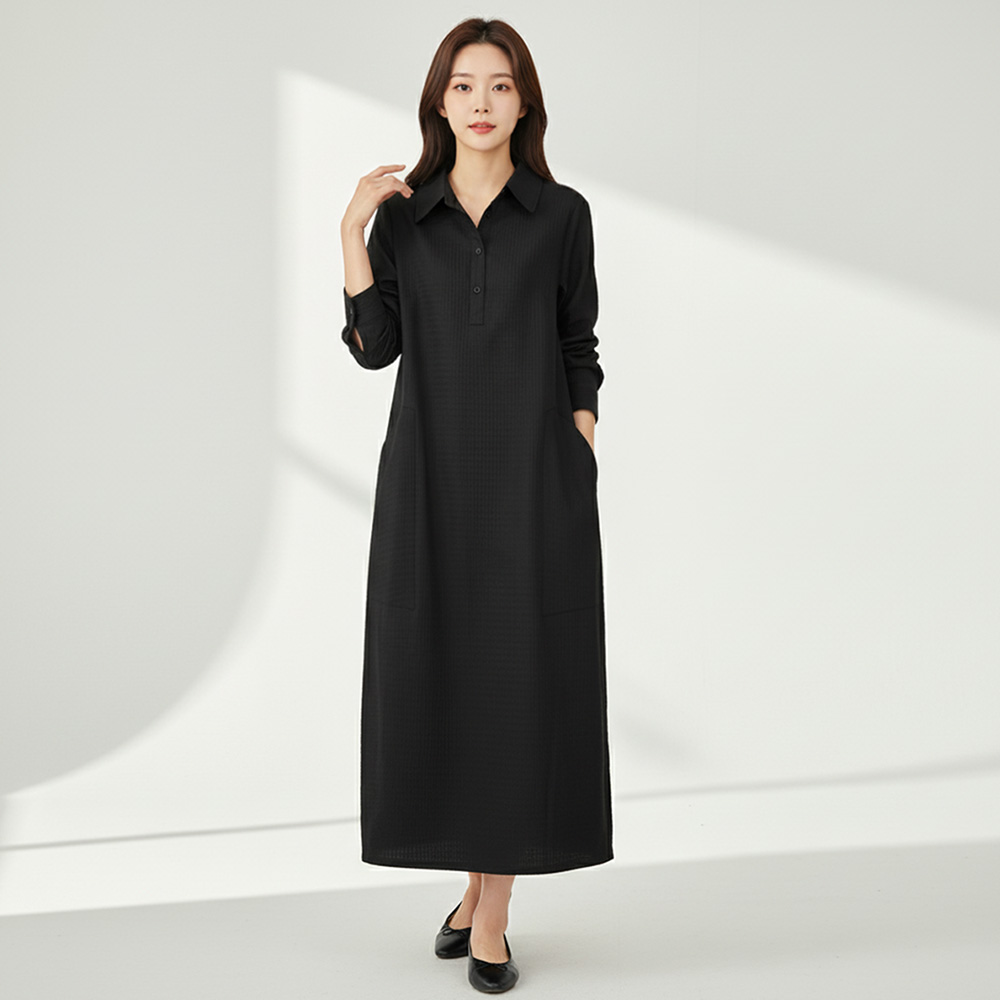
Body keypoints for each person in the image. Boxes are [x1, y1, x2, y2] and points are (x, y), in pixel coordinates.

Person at [339, 16, 612, 994]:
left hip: (535, 483)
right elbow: (375, 348)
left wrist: (579, 436)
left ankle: (490, 914)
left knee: (521, 684)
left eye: (500, 85)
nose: (482, 102)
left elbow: (578, 341)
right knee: (447, 678)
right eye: (463, 85)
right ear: (439, 102)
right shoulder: (404, 220)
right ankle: (472, 891)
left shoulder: (562, 214)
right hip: (430, 480)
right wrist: (350, 233)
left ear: (524, 101)